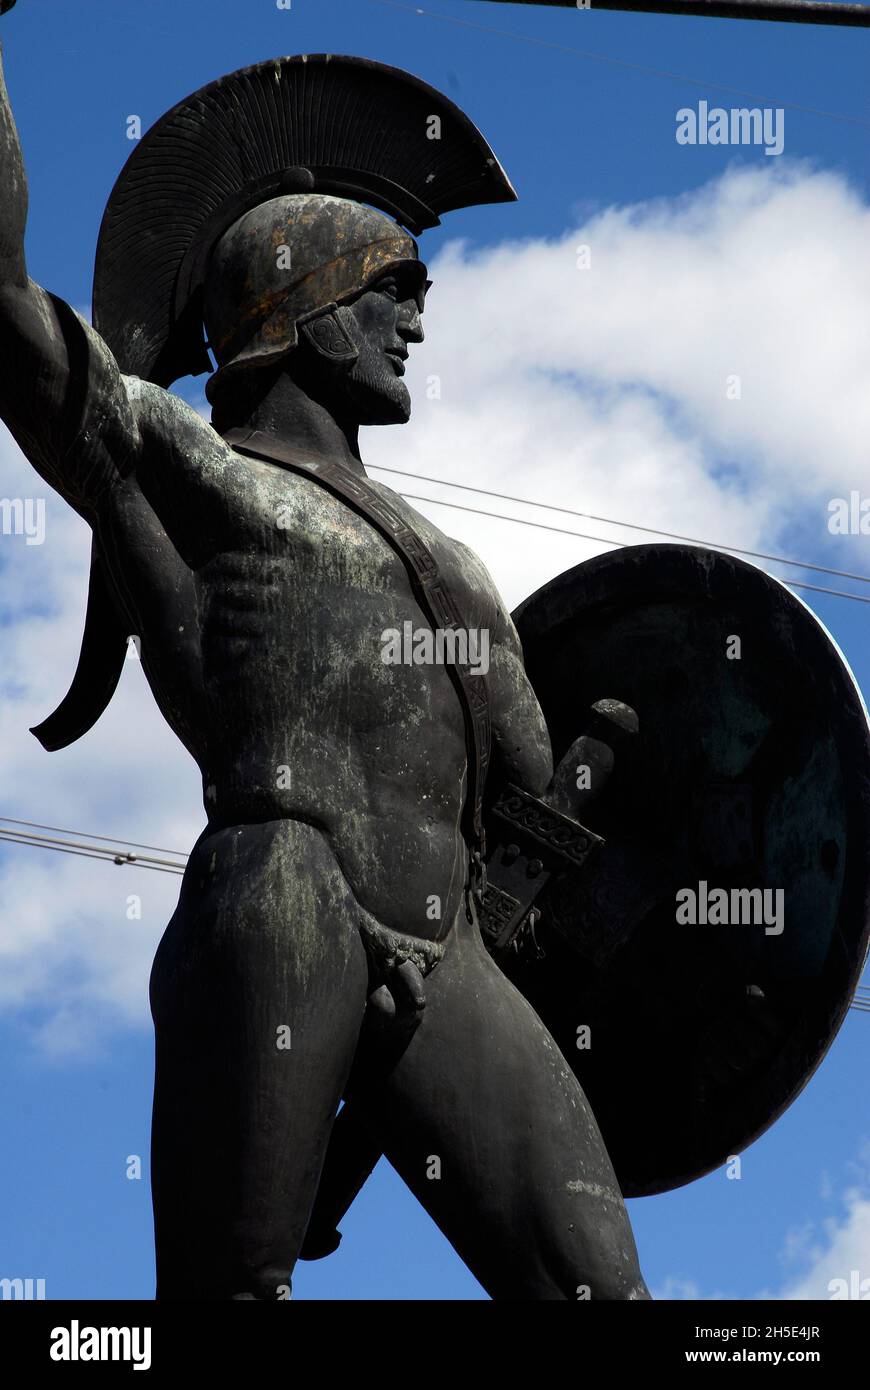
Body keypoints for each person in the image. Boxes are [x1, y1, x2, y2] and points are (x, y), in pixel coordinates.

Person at [0, 15, 650, 1300]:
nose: (418, 314)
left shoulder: (453, 557)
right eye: (391, 285)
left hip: (447, 942)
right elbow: (6, 310)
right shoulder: (202, 469)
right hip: (282, 891)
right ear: (303, 310)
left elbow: (535, 801)